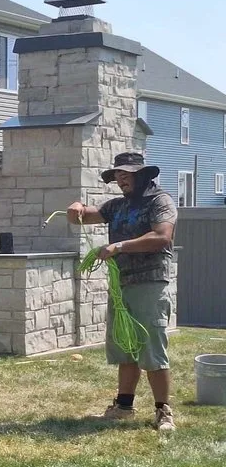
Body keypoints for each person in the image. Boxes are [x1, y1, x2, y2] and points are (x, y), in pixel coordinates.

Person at [67, 151, 178, 431]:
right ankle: (123, 406)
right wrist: (76, 207)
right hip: (123, 284)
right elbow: (85, 216)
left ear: (143, 175)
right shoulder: (117, 206)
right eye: (117, 175)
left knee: (151, 345)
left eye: (126, 174)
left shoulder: (159, 201)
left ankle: (163, 411)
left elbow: (162, 237)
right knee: (126, 345)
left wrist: (119, 246)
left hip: (150, 282)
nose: (121, 179)